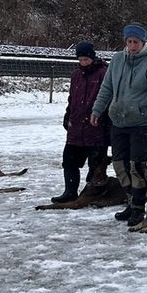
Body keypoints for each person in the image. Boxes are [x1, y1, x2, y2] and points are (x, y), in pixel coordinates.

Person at [90, 23, 147, 226]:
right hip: (118, 121)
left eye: (136, 42)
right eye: (129, 42)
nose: (132, 46)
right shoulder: (117, 60)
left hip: (142, 124)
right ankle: (131, 201)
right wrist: (97, 110)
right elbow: (106, 87)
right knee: (119, 165)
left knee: (136, 168)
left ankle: (139, 208)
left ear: (143, 42)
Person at [50, 41, 109, 203]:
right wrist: (68, 115)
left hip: (95, 127)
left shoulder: (104, 73)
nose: (83, 62)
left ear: (92, 57)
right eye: (80, 59)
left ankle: (93, 194)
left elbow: (109, 98)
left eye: (86, 59)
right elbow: (72, 99)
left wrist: (102, 118)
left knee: (95, 164)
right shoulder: (76, 75)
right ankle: (70, 191)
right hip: (76, 126)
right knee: (69, 161)